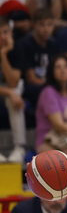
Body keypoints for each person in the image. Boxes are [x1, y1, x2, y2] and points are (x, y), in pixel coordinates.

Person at [16, 8, 59, 110]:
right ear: (34, 25)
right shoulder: (25, 45)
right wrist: (52, 86)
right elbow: (31, 78)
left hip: (49, 83)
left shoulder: (54, 45)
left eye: (49, 25)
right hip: (30, 87)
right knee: (44, 90)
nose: (46, 29)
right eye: (42, 24)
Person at [0, 15, 26, 163]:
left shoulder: (17, 48)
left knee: (14, 98)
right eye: (0, 33)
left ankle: (19, 147)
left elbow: (13, 82)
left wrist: (3, 54)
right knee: (13, 94)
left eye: (6, 32)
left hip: (12, 88)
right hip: (6, 90)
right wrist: (10, 92)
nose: (3, 37)